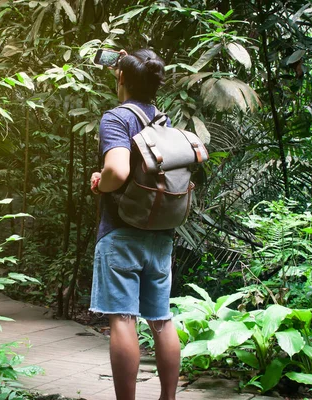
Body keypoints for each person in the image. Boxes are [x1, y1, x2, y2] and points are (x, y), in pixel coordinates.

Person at [89, 48, 180, 400]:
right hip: (159, 235)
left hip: (122, 233)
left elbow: (119, 170)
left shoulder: (117, 119)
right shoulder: (162, 121)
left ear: (122, 77)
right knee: (160, 319)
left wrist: (101, 182)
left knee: (123, 319)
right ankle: (167, 399)